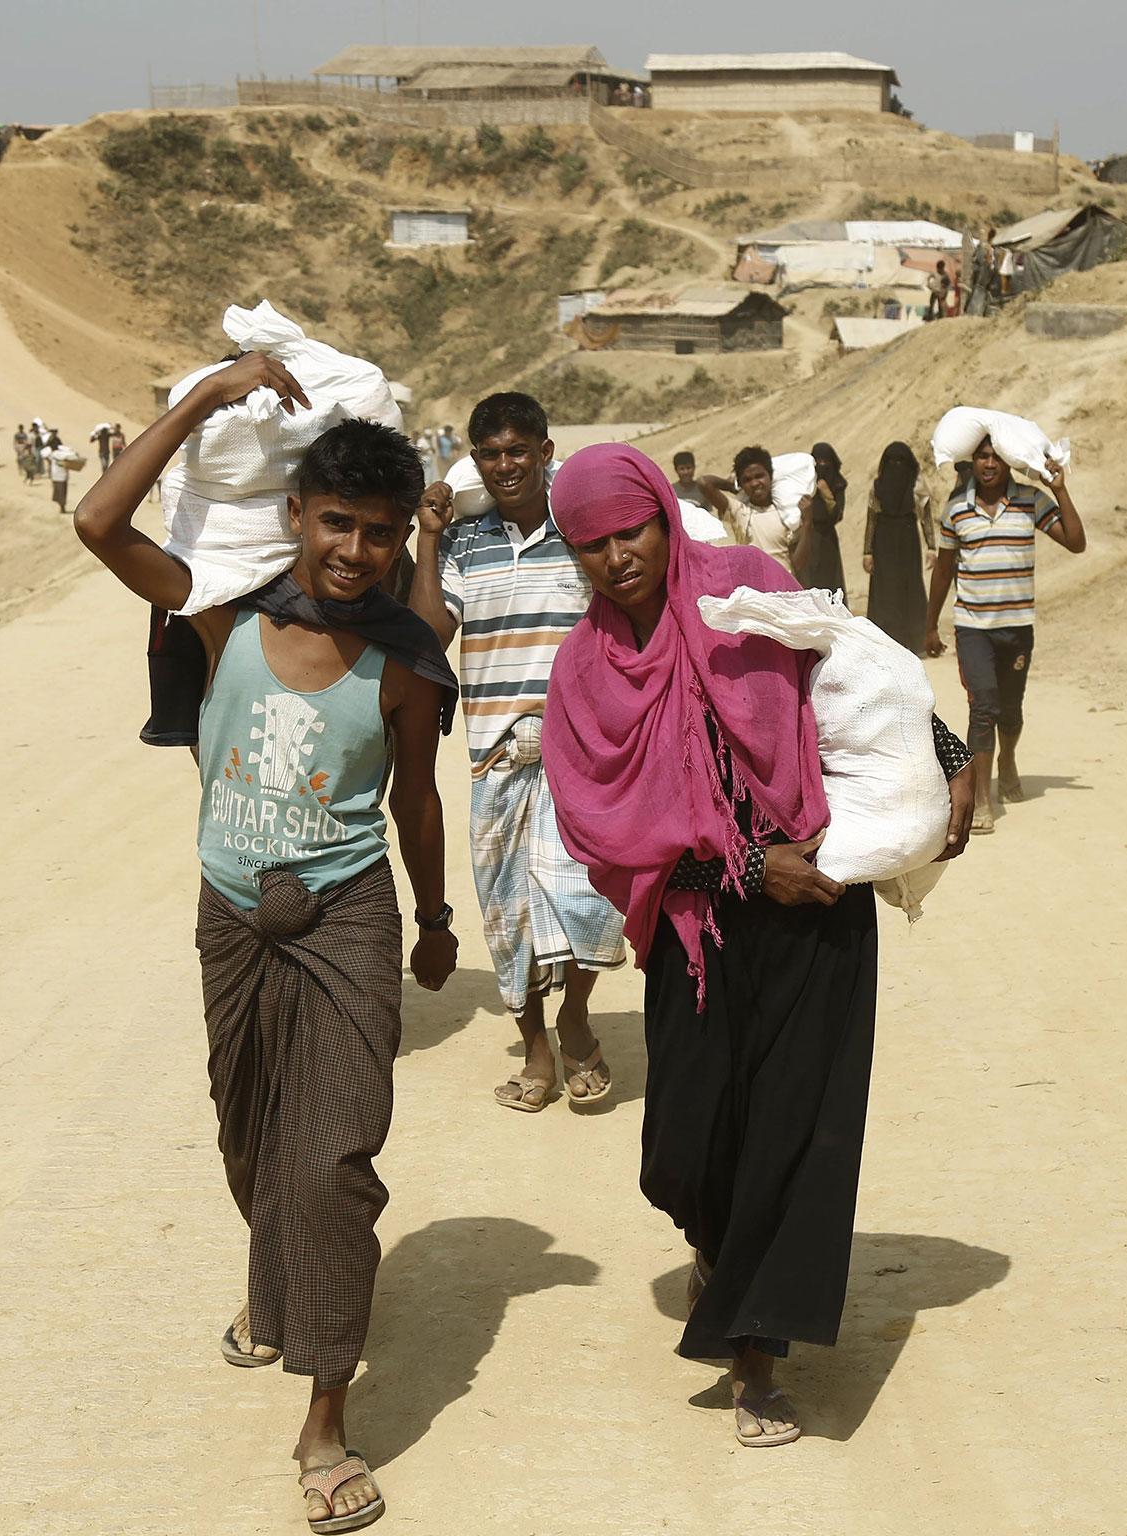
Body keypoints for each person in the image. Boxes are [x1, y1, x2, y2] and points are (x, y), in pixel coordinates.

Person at [74, 353, 461, 1535]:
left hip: (344, 912)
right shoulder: (222, 616)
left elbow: (415, 801)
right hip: (232, 913)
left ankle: (326, 1415)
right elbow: (96, 520)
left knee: (332, 1158)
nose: (355, 550)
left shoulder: (402, 658)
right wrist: (208, 397)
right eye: (336, 521)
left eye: (382, 531)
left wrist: (435, 918)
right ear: (293, 512)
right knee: (248, 1136)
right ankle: (274, 1286)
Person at [541, 444, 974, 1450]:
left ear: (661, 516)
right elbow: (602, 830)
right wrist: (742, 871)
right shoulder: (580, 673)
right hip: (694, 925)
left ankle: (755, 1357)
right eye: (591, 544)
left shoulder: (744, 586)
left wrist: (948, 757)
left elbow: (857, 664)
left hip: (817, 904)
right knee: (685, 1149)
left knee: (791, 1130)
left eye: (631, 531)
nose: (616, 558)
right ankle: (716, 1247)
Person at [407, 392, 626, 1113]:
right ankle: (537, 1046)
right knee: (507, 911)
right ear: (476, 460)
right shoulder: (467, 541)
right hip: (495, 756)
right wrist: (429, 538)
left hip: (583, 753)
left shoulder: (584, 531)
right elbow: (429, 632)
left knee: (590, 899)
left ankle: (575, 1017)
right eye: (490, 453)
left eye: (518, 450)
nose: (505, 465)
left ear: (545, 451)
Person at [925, 435, 1087, 833]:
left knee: (1011, 711)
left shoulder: (1031, 501)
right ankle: (982, 801)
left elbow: (1076, 542)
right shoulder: (956, 509)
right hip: (973, 627)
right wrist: (930, 624)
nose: (989, 463)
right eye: (981, 456)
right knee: (984, 707)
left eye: (996, 456)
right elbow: (944, 569)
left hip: (1016, 628)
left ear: (1009, 462)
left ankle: (1007, 758)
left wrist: (1059, 490)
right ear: (973, 462)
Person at [861, 442, 934, 654]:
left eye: (901, 462)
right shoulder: (877, 487)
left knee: (910, 587)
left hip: (908, 540)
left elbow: (926, 516)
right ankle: (883, 645)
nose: (897, 467)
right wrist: (867, 552)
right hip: (883, 542)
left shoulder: (917, 485)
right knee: (884, 591)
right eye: (892, 462)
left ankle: (915, 643)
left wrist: (931, 547)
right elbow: (872, 518)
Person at [699, 446, 797, 567]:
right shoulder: (739, 512)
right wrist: (731, 486)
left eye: (759, 476)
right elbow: (703, 483)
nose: (755, 483)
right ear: (740, 484)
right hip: (754, 585)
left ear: (770, 476)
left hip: (787, 584)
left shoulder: (787, 513)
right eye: (747, 480)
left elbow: (798, 563)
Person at [790, 442, 847, 597]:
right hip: (808, 537)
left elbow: (837, 515)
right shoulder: (804, 484)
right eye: (818, 462)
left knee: (829, 583)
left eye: (826, 463)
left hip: (828, 541)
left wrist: (827, 494)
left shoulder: (838, 484)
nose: (822, 466)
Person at [45, 435, 72, 512]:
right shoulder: (62, 453)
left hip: (57, 476)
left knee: (59, 493)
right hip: (62, 476)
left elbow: (45, 454)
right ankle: (62, 507)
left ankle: (62, 507)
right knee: (62, 493)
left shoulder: (54, 454)